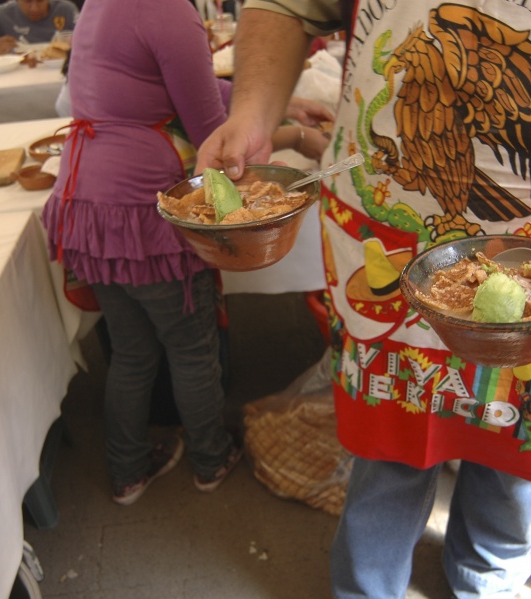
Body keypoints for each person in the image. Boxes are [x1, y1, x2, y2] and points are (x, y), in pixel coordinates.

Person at [195, 0, 531, 596]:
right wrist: (251, 111)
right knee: (388, 451)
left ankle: (487, 584)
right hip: (393, 239)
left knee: (519, 457)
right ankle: (365, 589)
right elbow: (287, 7)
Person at [41, 0, 331, 506]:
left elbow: (170, 86)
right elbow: (213, 137)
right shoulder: (169, 10)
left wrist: (283, 103)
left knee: (132, 352)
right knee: (192, 349)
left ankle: (127, 470)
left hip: (89, 204)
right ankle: (211, 458)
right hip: (142, 212)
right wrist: (299, 138)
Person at [0, 0, 78, 61]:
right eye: (27, 2)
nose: (34, 8)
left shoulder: (66, 10)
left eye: (40, 1)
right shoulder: (2, 14)